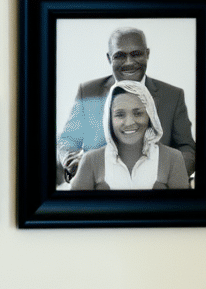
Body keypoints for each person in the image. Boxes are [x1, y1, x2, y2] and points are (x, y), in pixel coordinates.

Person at [57, 27, 196, 184]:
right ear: (109, 58)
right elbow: (67, 140)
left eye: (136, 54)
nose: (129, 62)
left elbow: (188, 149)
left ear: (147, 54)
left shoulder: (173, 95)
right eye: (120, 56)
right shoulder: (88, 91)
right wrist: (73, 161)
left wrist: (165, 175)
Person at [68, 81, 190, 192]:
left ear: (150, 116)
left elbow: (183, 211)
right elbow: (74, 210)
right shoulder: (91, 160)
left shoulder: (173, 158)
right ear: (109, 120)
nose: (129, 122)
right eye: (120, 115)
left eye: (138, 113)